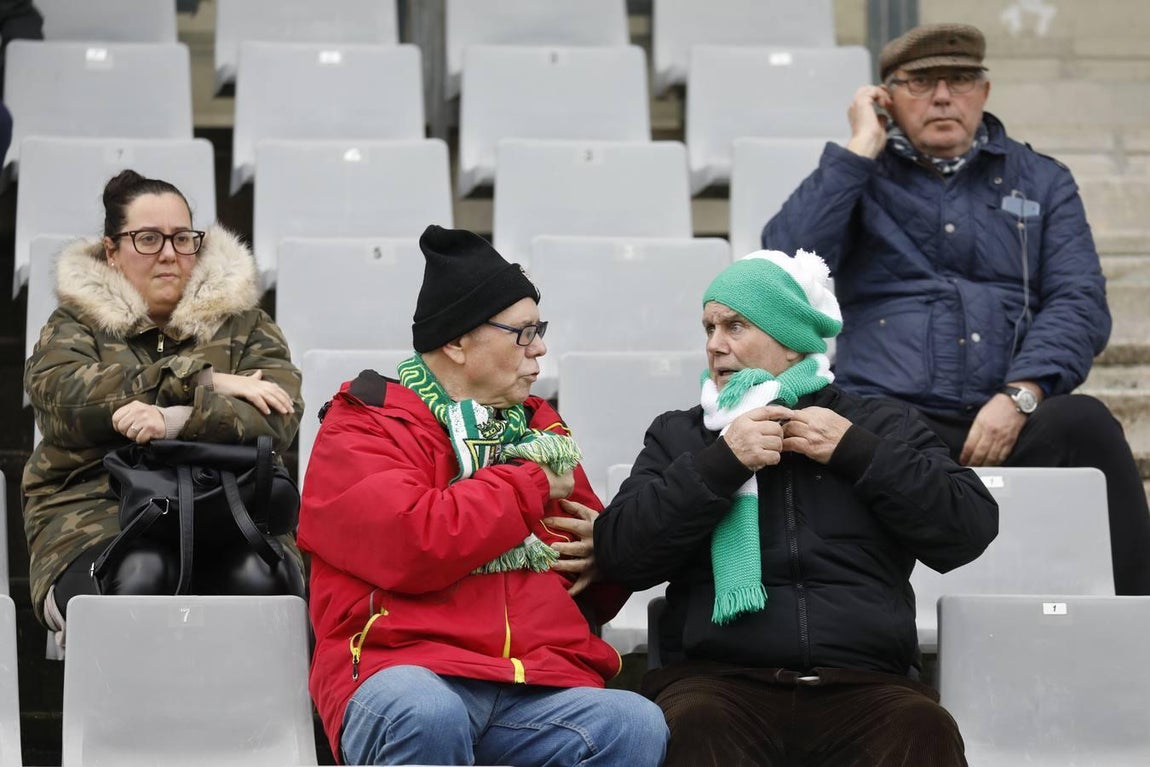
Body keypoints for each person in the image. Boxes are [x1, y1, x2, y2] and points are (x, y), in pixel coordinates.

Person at [761, 22, 1150, 595]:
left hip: (1008, 411)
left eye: (961, 80)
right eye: (920, 82)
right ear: (887, 97)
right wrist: (859, 148)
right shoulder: (858, 178)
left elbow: (1079, 301)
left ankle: (1137, 616)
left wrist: (1020, 395)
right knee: (826, 438)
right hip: (890, 414)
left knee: (1086, 424)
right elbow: (783, 269)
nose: (944, 96)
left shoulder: (1042, 180)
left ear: (984, 92)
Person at [594, 249, 999, 766]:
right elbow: (622, 554)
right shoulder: (682, 434)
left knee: (923, 729)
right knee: (695, 728)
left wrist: (859, 453)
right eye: (709, 327)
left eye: (735, 326)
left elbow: (969, 528)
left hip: (867, 684)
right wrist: (721, 465)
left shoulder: (878, 425)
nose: (715, 345)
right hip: (719, 684)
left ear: (789, 339)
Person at [298, 224, 668, 766]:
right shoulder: (366, 422)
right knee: (426, 713)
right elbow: (413, 543)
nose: (540, 347)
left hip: (535, 684)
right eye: (522, 331)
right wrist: (529, 481)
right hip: (402, 671)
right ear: (456, 341)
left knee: (634, 725)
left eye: (540, 329)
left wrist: (605, 552)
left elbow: (589, 582)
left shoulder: (541, 427)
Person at [23, 169, 305, 648]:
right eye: (148, 239)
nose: (170, 254)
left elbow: (277, 415)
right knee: (141, 571)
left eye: (182, 238)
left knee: (262, 579)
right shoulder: (77, 323)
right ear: (112, 252)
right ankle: (122, 724)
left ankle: (252, 725)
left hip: (225, 503)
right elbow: (63, 396)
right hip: (96, 508)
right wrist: (203, 380)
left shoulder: (245, 324)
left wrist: (175, 419)